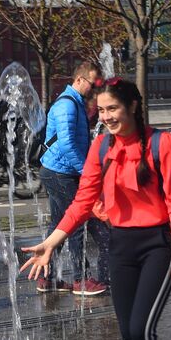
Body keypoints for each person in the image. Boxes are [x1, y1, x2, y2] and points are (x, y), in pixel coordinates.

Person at [20, 77, 171, 340]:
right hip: (120, 246)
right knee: (128, 337)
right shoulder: (101, 147)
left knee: (141, 330)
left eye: (113, 108)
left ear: (132, 106)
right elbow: (82, 202)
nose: (106, 116)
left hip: (158, 246)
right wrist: (51, 243)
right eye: (101, 110)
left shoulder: (163, 144)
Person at [38, 59, 108, 296]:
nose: (96, 88)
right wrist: (86, 170)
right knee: (78, 222)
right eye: (93, 83)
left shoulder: (76, 103)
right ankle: (81, 279)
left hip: (58, 171)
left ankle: (46, 278)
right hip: (60, 172)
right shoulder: (67, 105)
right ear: (79, 80)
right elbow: (67, 145)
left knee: (58, 224)